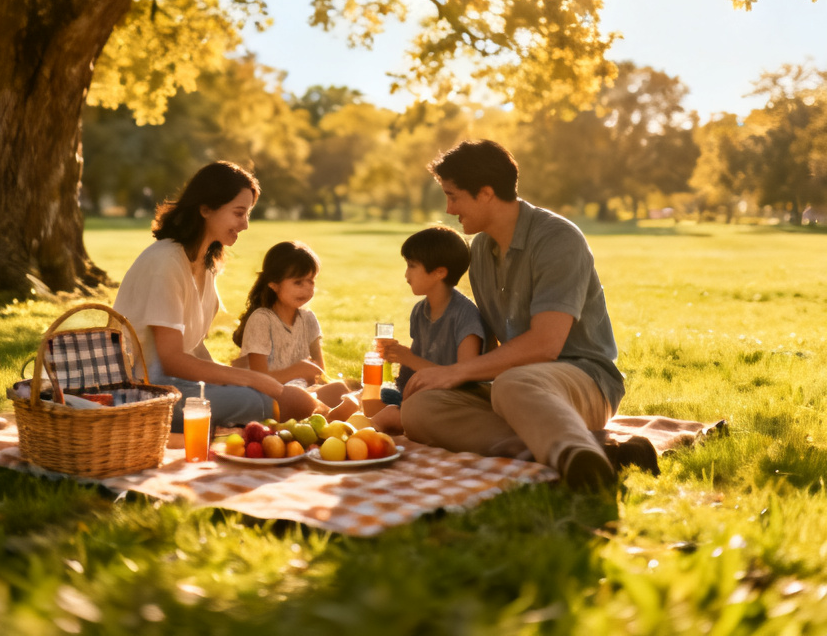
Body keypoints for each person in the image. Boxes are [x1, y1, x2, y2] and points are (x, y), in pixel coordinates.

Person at [400, 140, 625, 492]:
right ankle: (593, 452)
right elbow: (490, 350)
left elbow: (545, 346)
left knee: (512, 383)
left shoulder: (558, 239)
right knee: (418, 409)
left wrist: (457, 372)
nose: (449, 208)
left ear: (486, 193)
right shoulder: (481, 254)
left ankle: (580, 459)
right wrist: (439, 373)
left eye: (454, 196)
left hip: (584, 379)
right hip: (517, 386)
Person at [113, 161, 318, 432]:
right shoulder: (166, 262)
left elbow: (193, 350)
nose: (245, 224)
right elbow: (172, 359)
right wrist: (251, 379)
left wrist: (240, 378)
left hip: (178, 384)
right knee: (286, 401)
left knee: (290, 397)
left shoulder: (204, 264)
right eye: (239, 213)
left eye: (248, 214)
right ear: (206, 208)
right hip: (146, 393)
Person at [373, 226, 486, 434]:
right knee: (367, 400)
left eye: (412, 266)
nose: (406, 275)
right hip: (419, 396)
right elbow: (415, 365)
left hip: (454, 402)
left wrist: (409, 358)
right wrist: (399, 358)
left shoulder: (465, 315)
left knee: (386, 416)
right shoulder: (419, 311)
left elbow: (466, 376)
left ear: (439, 273)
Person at [232, 240, 352, 408]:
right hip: (267, 395)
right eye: (298, 282)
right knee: (298, 398)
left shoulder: (308, 319)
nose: (306, 289)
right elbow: (259, 378)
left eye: (311, 281)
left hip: (304, 393)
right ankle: (321, 413)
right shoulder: (262, 319)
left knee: (340, 389)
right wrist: (297, 371)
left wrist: (317, 378)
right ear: (274, 284)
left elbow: (319, 373)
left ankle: (323, 413)